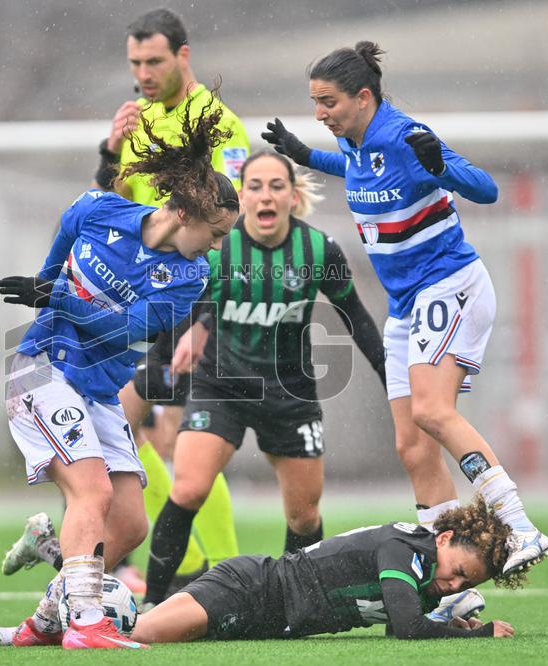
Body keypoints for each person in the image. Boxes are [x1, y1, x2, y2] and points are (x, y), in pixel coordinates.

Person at [261, 42, 548, 574]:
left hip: (448, 285)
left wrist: (442, 168)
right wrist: (304, 156)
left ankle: (520, 526)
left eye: (327, 102)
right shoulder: (356, 140)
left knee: (432, 412)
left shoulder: (403, 135)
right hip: (408, 305)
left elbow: (484, 189)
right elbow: (357, 168)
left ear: (364, 97)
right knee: (413, 445)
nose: (319, 113)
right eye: (314, 102)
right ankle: (450, 580)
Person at [3, 6, 248, 595]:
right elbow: (106, 211)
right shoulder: (137, 121)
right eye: (134, 61)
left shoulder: (219, 128)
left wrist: (202, 323)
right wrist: (110, 153)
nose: (142, 72)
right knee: (142, 439)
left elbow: (230, 229)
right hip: (127, 302)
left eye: (154, 61)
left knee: (179, 441)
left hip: (188, 308)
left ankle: (208, 566)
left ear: (182, 56)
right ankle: (111, 565)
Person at [140, 149, 386, 609]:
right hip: (221, 385)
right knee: (189, 487)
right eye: (255, 186)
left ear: (293, 196)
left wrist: (392, 379)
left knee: (304, 513)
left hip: (289, 393)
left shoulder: (319, 250)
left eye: (277, 186)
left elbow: (355, 317)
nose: (266, 196)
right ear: (243, 195)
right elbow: (191, 303)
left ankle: (298, 608)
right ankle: (153, 603)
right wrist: (174, 347)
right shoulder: (219, 246)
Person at [0, 496, 520, 646]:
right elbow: (404, 625)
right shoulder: (404, 553)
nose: (453, 584)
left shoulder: (425, 568)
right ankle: (53, 555)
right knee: (133, 634)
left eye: (466, 584)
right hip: (251, 589)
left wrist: (453, 610)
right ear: (443, 538)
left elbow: (418, 607)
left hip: (265, 618)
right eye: (456, 571)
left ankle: (41, 587)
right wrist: (472, 632)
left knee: (138, 626)